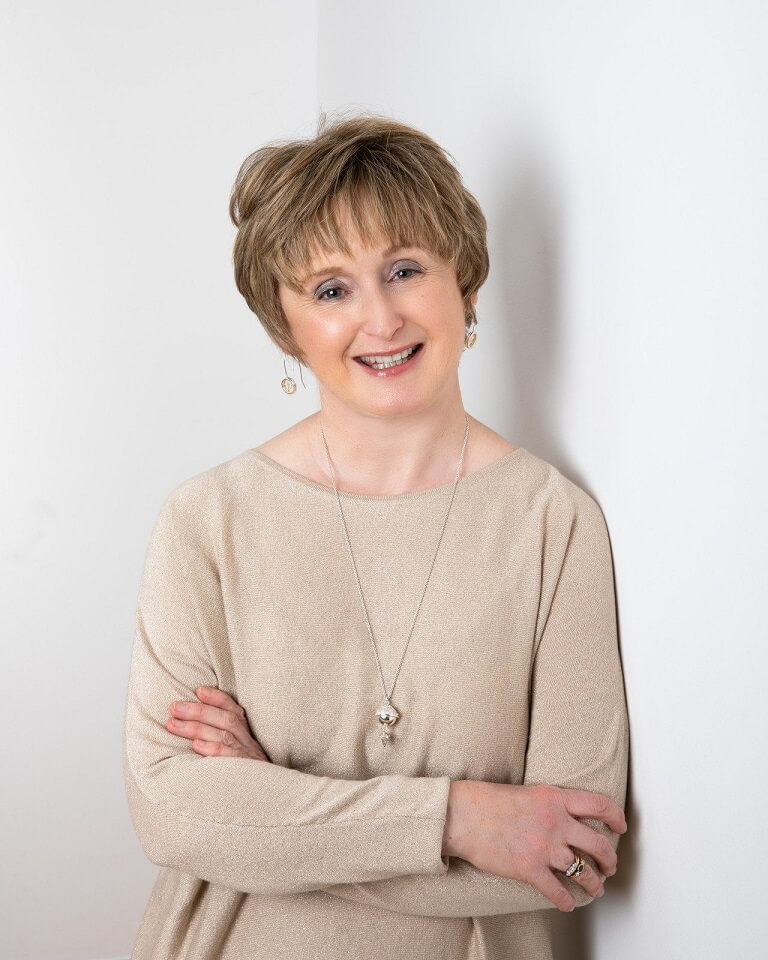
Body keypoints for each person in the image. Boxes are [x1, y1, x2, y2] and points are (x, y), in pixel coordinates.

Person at [123, 112, 629, 960]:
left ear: (464, 282)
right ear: (285, 325)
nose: (382, 318)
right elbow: (174, 813)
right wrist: (459, 819)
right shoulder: (206, 519)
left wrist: (269, 807)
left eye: (405, 270)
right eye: (331, 290)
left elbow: (570, 852)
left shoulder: (552, 522)